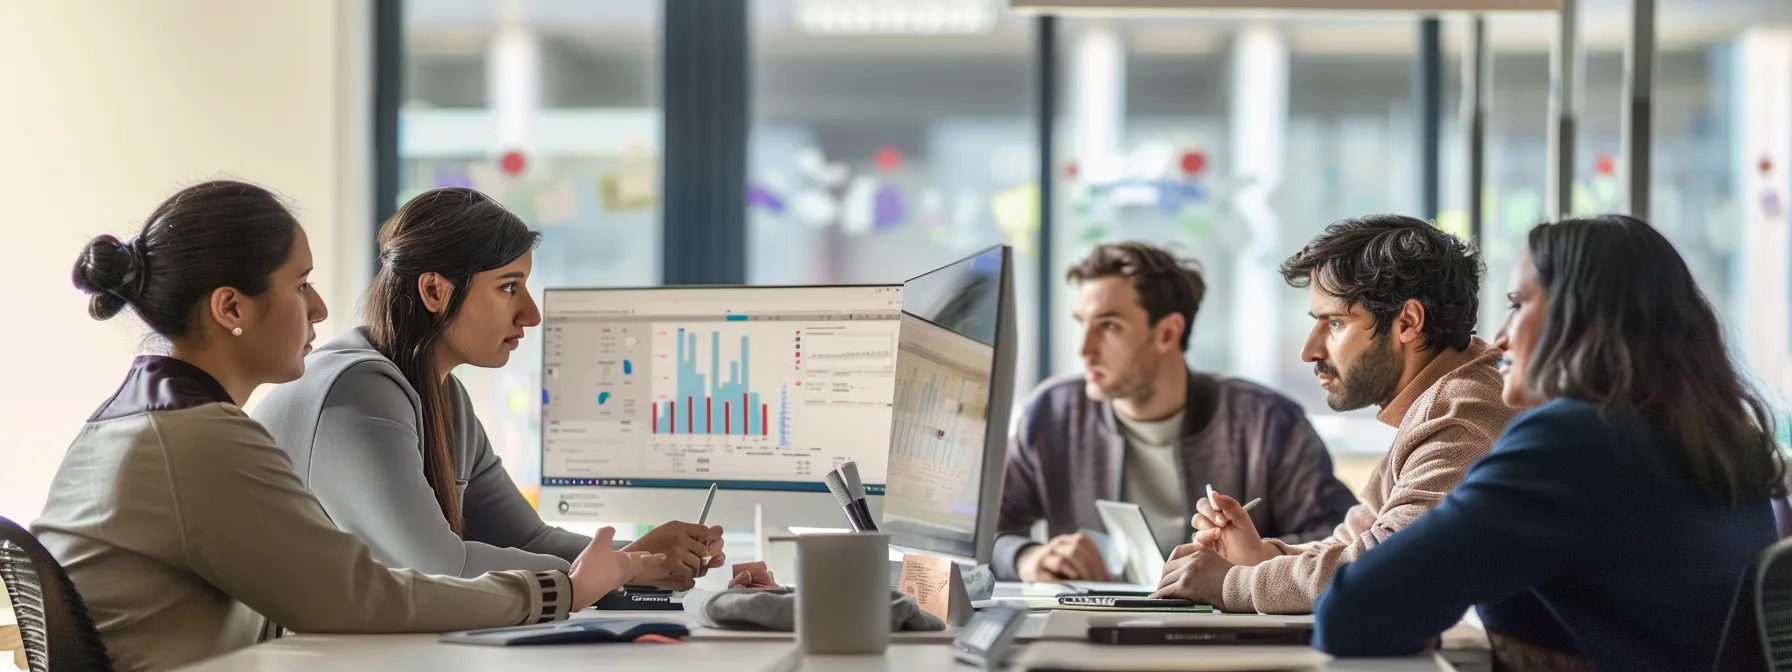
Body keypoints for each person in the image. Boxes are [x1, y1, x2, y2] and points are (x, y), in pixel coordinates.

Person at [33, 181, 646, 672]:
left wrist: (623, 564)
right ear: (231, 308)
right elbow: (360, 597)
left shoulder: (147, 422)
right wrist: (560, 592)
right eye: (300, 285)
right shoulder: (195, 440)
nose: (322, 309)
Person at [1312, 215, 1784, 671]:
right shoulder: (1722, 435)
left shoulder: (1572, 442)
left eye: (1517, 305)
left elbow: (1353, 612)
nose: (1499, 338)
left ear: (1577, 318)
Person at [253, 187, 720, 590]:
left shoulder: (445, 398)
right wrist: (626, 567)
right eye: (508, 287)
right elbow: (439, 568)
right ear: (434, 291)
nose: (531, 315)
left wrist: (650, 556)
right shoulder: (356, 392)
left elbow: (528, 540)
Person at [1152, 215, 1518, 613]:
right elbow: (1356, 543)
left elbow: (1390, 568)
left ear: (1408, 322)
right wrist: (1259, 556)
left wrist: (1233, 583)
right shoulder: (1436, 402)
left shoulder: (1462, 414)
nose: (1310, 351)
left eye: (1336, 323)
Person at [994, 242, 1358, 583]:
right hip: (1091, 628)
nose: (1085, 349)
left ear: (1167, 332)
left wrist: (1253, 559)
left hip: (1223, 634)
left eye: (1108, 326)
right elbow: (989, 530)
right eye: (1082, 323)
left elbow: (1343, 539)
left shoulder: (1268, 423)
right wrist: (1027, 558)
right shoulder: (1052, 415)